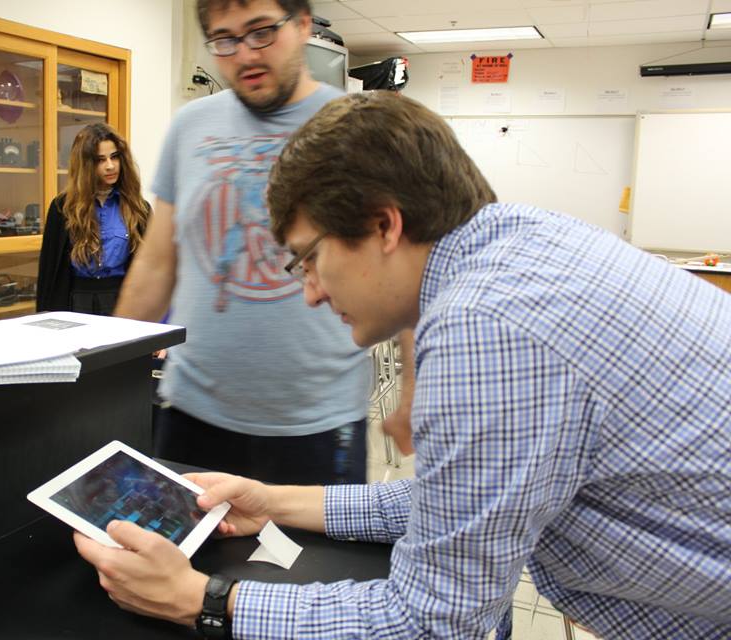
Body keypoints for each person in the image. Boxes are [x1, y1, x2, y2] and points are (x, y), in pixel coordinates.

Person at [73, 92, 731, 639]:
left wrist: (203, 599)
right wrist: (278, 502)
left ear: (384, 226)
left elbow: (437, 623)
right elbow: (467, 497)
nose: (310, 291)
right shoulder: (521, 243)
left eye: (309, 258)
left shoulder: (484, 329)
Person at [114, 0, 415, 486]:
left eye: (261, 32)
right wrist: (102, 381)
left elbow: (410, 270)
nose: (246, 55)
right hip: (193, 416)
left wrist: (414, 392)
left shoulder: (357, 128)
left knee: (317, 565)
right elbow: (156, 266)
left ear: (301, 26)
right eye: (225, 40)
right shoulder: (190, 128)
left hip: (318, 424)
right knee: (180, 559)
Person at [36, 123, 150, 316]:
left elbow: (148, 272)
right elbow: (49, 273)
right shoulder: (62, 208)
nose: (110, 166)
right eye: (100, 160)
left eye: (115, 157)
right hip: (75, 302)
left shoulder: (138, 208)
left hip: (121, 302)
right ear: (86, 165)